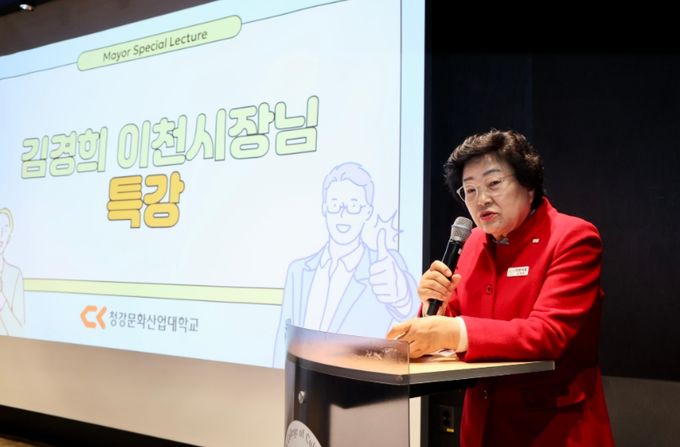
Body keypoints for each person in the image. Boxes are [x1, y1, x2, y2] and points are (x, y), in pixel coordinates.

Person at [388, 130, 614, 446]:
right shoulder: (472, 243)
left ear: (528, 184)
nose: (481, 199)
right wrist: (432, 307)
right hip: (480, 430)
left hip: (552, 431)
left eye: (494, 183)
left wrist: (451, 331)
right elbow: (448, 327)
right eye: (470, 190)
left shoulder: (573, 237)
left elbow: (547, 335)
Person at [273, 162, 418, 367]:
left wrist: (401, 297)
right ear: (324, 208)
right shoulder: (298, 271)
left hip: (362, 383)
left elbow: (412, 312)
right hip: (304, 382)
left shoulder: (384, 265)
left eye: (353, 206)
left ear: (367, 212)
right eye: (335, 205)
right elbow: (283, 341)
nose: (343, 214)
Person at [0, 208, 25, 336]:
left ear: (9, 238)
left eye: (4, 230)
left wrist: (1, 299)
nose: (0, 234)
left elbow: (19, 331)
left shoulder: (15, 275)